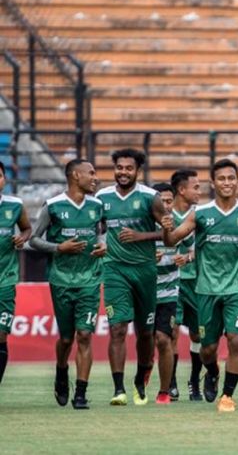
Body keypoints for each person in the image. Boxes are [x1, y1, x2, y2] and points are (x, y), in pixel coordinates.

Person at [162, 158, 238, 413]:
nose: (227, 183)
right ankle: (211, 371)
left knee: (234, 339)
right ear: (213, 183)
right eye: (221, 178)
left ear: (237, 181)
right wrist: (167, 229)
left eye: (231, 178)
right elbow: (172, 239)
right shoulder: (200, 214)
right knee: (208, 349)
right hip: (207, 289)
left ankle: (228, 395)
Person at [29, 159, 105, 409]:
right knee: (66, 338)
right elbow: (34, 240)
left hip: (90, 279)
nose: (95, 178)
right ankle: (61, 372)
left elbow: (102, 233)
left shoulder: (97, 205)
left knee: (85, 335)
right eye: (90, 173)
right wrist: (58, 247)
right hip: (61, 280)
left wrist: (103, 245)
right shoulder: (52, 206)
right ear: (75, 175)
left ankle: (81, 393)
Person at [96, 148, 169, 406]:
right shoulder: (102, 197)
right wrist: (98, 241)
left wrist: (142, 236)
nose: (123, 172)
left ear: (138, 170)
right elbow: (97, 227)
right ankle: (119, 389)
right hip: (115, 270)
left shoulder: (151, 198)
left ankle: (141, 379)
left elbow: (170, 234)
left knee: (145, 333)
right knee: (117, 328)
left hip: (145, 271)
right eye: (119, 167)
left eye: (128, 168)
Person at [0, 164, 35, 385]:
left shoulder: (14, 205)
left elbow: (27, 228)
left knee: (1, 336)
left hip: (5, 279)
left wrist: (23, 237)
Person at [170, 168, 203, 401]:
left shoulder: (202, 215)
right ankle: (170, 382)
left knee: (198, 335)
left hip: (196, 282)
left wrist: (190, 257)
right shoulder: (163, 216)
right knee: (171, 333)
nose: (199, 191)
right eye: (196, 187)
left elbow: (208, 248)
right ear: (182, 190)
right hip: (170, 283)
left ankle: (194, 380)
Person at [152, 183, 179, 405]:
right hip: (145, 291)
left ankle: (165, 390)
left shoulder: (181, 224)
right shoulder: (144, 225)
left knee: (164, 339)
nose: (166, 206)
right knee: (146, 340)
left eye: (169, 201)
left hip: (170, 291)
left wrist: (186, 258)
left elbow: (195, 248)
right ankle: (142, 376)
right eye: (162, 201)